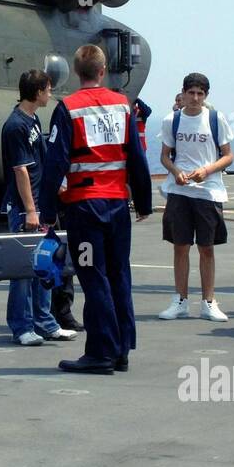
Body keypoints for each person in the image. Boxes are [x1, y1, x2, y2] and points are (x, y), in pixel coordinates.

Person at [40, 45, 153, 374]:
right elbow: (137, 157)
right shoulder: (122, 105)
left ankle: (101, 351)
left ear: (77, 72)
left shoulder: (69, 108)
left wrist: (47, 211)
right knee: (119, 275)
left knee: (93, 277)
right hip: (118, 206)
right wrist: (143, 202)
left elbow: (55, 163)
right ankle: (122, 349)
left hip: (85, 209)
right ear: (103, 71)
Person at [0, 69, 77, 346]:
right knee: (22, 270)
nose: (50, 94)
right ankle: (21, 327)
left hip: (40, 203)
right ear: (38, 92)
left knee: (45, 264)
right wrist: (31, 210)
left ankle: (45, 322)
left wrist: (55, 188)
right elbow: (20, 170)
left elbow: (39, 164)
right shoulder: (16, 126)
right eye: (47, 89)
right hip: (24, 207)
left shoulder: (33, 120)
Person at [156, 72, 234, 321]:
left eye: (200, 93)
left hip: (208, 191)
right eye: (191, 93)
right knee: (180, 246)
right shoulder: (173, 120)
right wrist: (176, 172)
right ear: (183, 93)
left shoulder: (215, 118)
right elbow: (165, 156)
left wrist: (207, 170)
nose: (195, 98)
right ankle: (180, 300)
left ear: (206, 96)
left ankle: (208, 301)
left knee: (207, 248)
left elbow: (228, 155)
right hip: (180, 192)